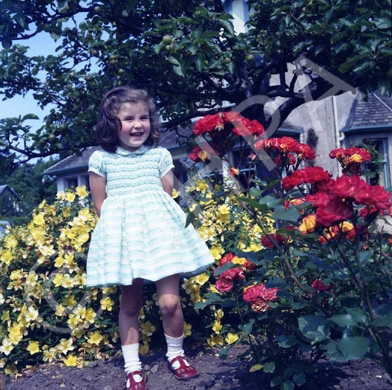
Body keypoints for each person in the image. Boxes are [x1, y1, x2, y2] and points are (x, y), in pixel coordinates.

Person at [87, 86, 215, 390]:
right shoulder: (102, 159)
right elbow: (101, 206)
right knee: (130, 305)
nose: (137, 124)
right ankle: (133, 368)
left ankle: (176, 355)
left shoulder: (160, 155)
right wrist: (118, 238)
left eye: (143, 117)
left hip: (160, 237)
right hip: (125, 241)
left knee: (170, 302)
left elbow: (166, 198)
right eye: (128, 118)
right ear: (111, 123)